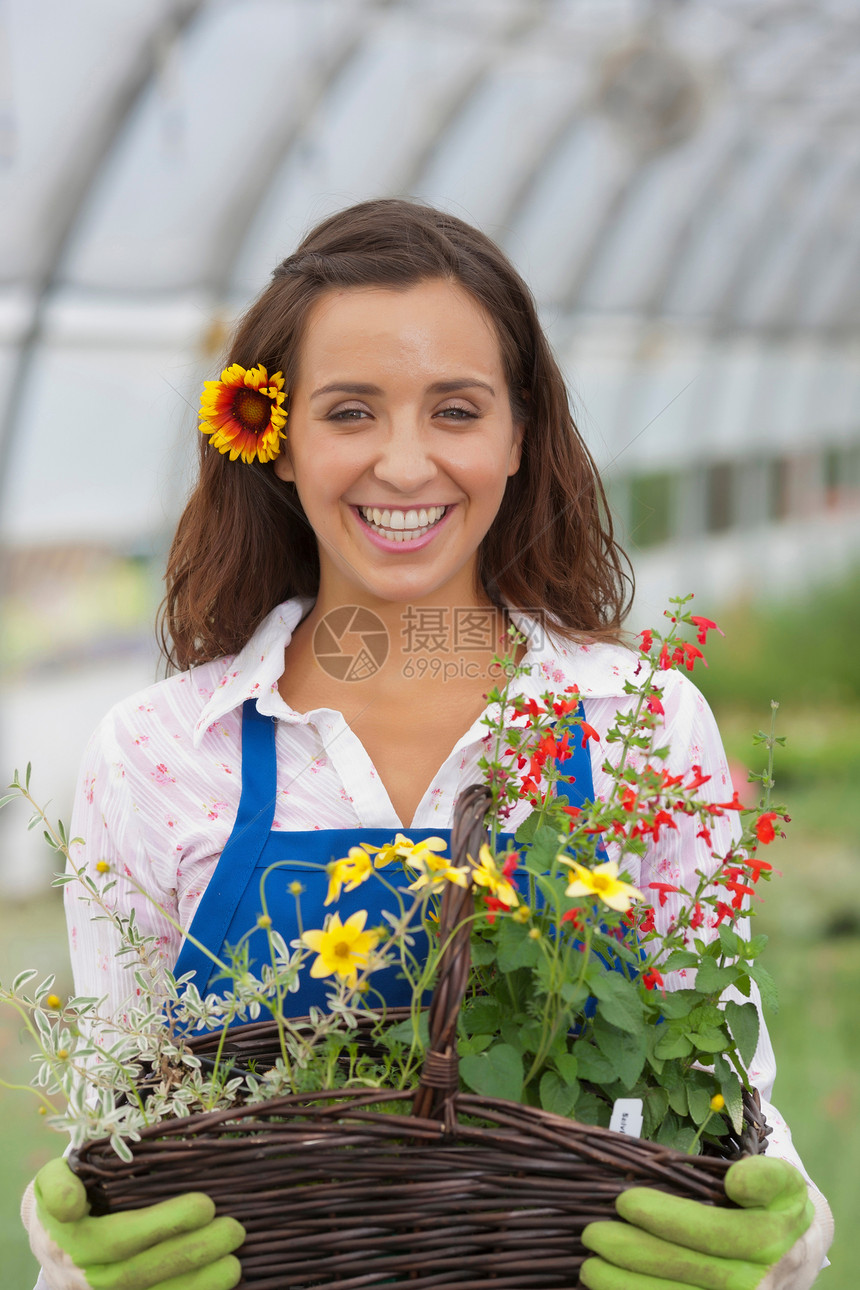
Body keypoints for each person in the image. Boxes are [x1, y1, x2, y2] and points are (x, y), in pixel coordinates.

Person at [22, 199, 832, 1290]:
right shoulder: (163, 749)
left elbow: (727, 1098)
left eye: (455, 410)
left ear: (517, 434)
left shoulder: (638, 723)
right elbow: (116, 1130)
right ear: (275, 441)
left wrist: (782, 1238)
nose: (403, 466)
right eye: (349, 412)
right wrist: (70, 1247)